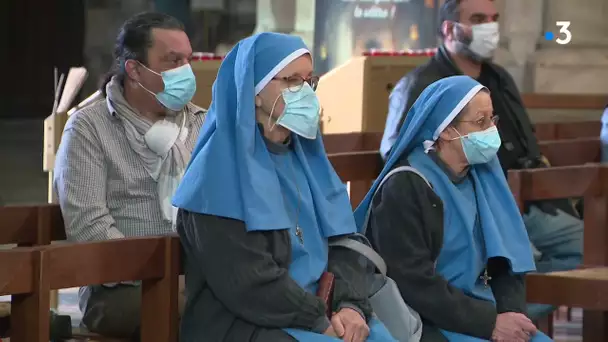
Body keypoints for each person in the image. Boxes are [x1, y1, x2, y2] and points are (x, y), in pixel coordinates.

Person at [172, 32, 396, 342]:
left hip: (325, 311)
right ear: (254, 92)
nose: (305, 92)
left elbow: (344, 247)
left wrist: (351, 306)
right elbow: (248, 284)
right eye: (292, 81)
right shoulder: (216, 175)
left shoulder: (305, 159)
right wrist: (321, 320)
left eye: (309, 81)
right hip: (248, 323)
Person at [379, 0, 582, 318]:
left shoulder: (499, 79)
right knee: (513, 257)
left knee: (587, 246)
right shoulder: (420, 85)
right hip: (462, 205)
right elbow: (398, 157)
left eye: (494, 18)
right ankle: (495, 313)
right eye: (478, 19)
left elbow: (527, 144)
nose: (491, 27)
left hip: (520, 203)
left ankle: (512, 312)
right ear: (449, 28)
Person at [356, 76, 552, 342]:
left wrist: (510, 315)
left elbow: (506, 261)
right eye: (480, 122)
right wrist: (489, 323)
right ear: (446, 129)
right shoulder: (406, 185)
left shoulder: (482, 177)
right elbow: (412, 282)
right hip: (428, 320)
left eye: (492, 121)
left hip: (484, 312)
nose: (491, 132)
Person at [54, 12, 205, 339]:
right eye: (172, 60)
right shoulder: (88, 128)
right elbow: (89, 225)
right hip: (118, 289)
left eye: (187, 60)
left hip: (198, 277)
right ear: (135, 69)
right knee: (213, 312)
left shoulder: (200, 124)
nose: (185, 71)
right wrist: (161, 273)